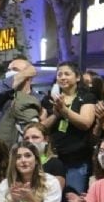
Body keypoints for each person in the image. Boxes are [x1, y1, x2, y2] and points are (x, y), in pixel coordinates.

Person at [41, 61, 97, 194]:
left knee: (73, 198)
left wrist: (65, 110)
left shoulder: (87, 97)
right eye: (59, 74)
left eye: (67, 74)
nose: (62, 77)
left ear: (77, 77)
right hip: (53, 158)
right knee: (50, 197)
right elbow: (40, 128)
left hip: (76, 160)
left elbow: (86, 123)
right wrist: (55, 114)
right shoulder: (49, 99)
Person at [0, 57, 41, 148]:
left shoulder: (38, 99)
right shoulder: (3, 96)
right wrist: (24, 73)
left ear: (29, 77)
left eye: (15, 70)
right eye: (9, 70)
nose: (9, 73)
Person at [22, 122, 66, 189]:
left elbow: (56, 193)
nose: (30, 141)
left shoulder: (55, 164)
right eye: (26, 138)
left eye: (35, 137)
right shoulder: (18, 163)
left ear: (46, 139)